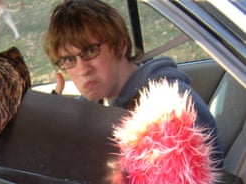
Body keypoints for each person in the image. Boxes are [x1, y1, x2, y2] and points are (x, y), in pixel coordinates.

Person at [44, 0, 223, 163]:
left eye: (91, 51)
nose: (82, 70)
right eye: (68, 60)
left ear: (120, 46)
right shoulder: (95, 105)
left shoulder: (168, 111)